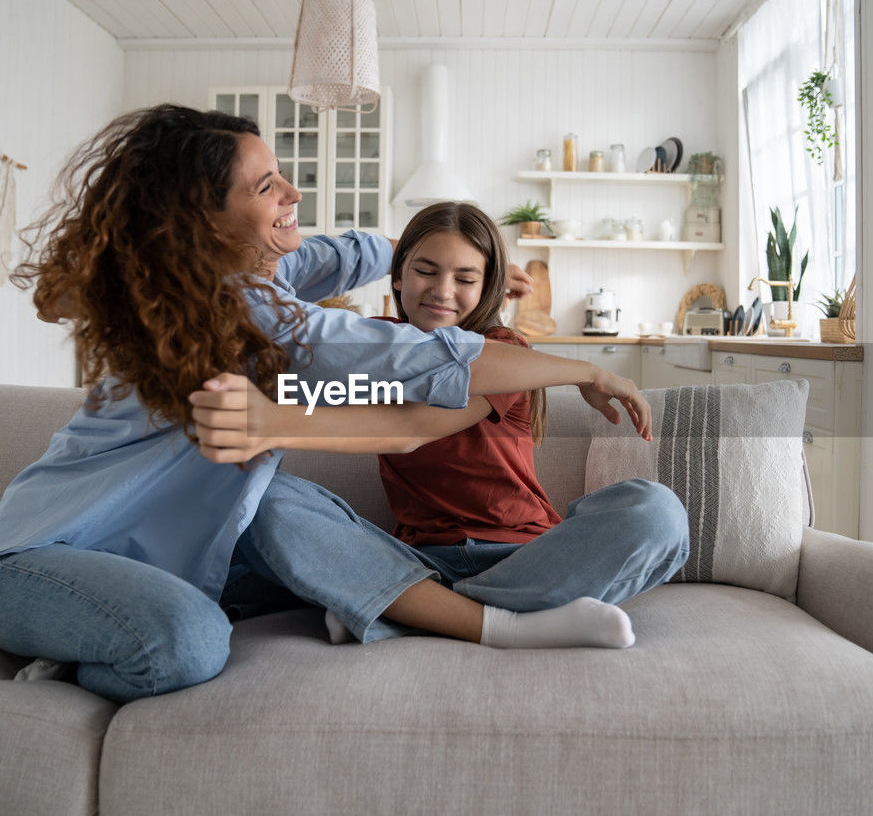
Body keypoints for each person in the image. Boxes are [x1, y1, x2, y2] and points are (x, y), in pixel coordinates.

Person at [0, 104, 652, 704]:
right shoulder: (242, 302)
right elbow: (410, 363)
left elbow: (348, 253)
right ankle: (94, 645)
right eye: (267, 186)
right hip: (38, 560)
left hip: (141, 567)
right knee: (191, 642)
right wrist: (583, 367)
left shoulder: (259, 270)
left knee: (257, 553)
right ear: (208, 218)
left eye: (281, 174)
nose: (292, 191)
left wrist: (437, 258)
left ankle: (408, 607)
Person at [192, 202, 689, 651]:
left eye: (466, 279)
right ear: (397, 277)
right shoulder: (377, 348)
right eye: (424, 270)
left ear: (487, 285)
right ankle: (468, 615)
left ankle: (409, 611)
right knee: (266, 502)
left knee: (657, 511)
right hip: (413, 560)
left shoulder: (503, 352)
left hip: (525, 555)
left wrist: (590, 370)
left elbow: (411, 427)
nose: (442, 291)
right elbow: (274, 300)